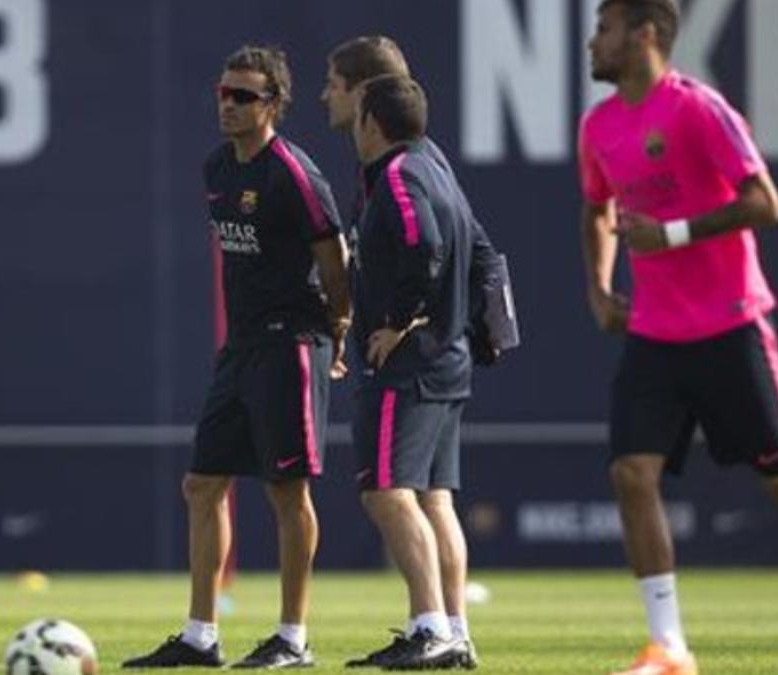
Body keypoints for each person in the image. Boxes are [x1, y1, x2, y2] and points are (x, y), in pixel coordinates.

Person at [578, 2, 778, 674]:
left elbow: (765, 202)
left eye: (605, 29)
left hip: (730, 323)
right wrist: (601, 288)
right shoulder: (598, 124)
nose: (593, 41)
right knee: (632, 472)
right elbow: (598, 206)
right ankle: (670, 646)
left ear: (645, 35)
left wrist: (677, 232)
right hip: (654, 333)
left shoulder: (698, 109)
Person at [123, 45, 350, 670]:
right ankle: (201, 635)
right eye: (223, 92)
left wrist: (339, 331)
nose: (227, 104)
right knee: (202, 485)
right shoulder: (218, 168)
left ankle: (293, 638)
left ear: (272, 103)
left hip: (292, 342)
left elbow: (334, 260)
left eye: (243, 95)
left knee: (284, 490)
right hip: (243, 347)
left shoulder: (294, 174)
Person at [320, 37, 480, 670]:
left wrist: (398, 321)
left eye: (334, 84)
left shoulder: (398, 174)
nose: (325, 94)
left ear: (367, 108)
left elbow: (427, 245)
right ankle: (455, 631)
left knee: (386, 492)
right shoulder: (433, 161)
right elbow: (483, 252)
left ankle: (430, 627)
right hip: (446, 358)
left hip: (412, 365)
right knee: (435, 497)